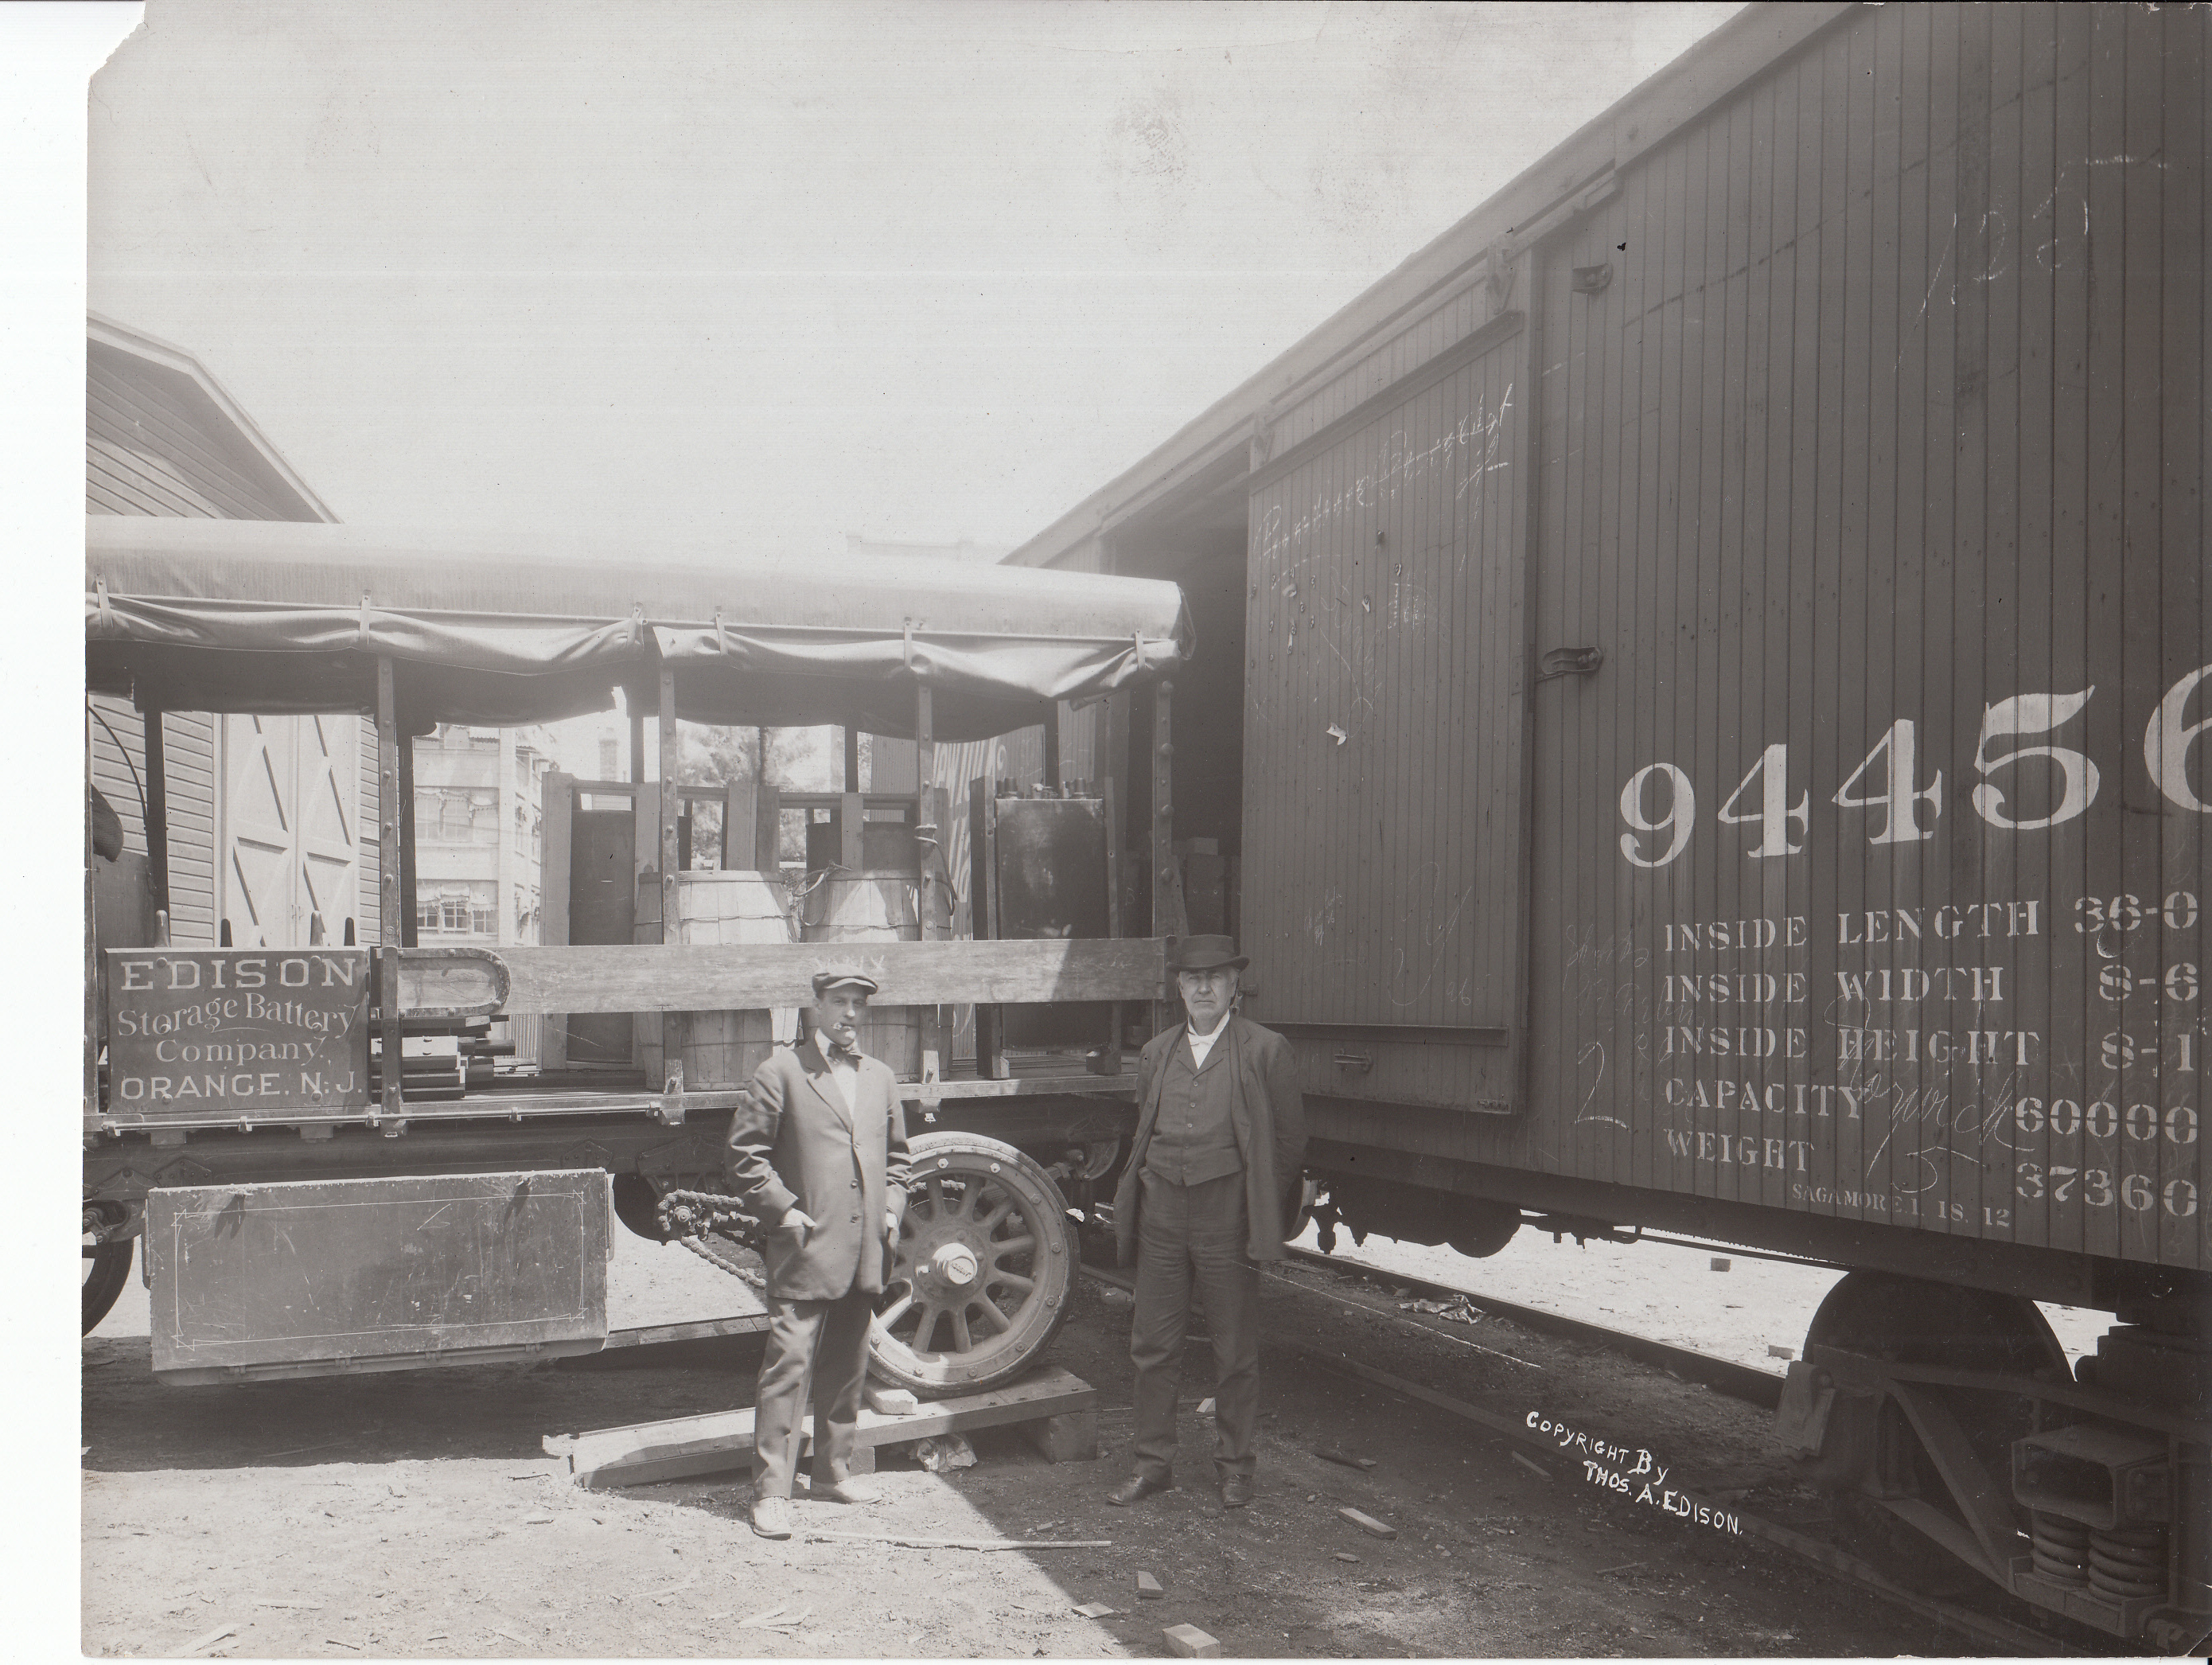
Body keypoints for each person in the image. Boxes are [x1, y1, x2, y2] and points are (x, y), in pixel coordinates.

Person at [1107, 934, 1306, 1511]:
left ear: (1233, 985)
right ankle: (1152, 1466)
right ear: (1179, 988)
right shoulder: (1157, 1052)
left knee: (1233, 1350)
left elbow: (1290, 1142)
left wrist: (1255, 1201)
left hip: (1227, 1217)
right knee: (1153, 1346)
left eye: (1214, 977)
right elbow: (1145, 1127)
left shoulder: (1266, 1050)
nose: (1203, 988)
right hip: (1163, 1215)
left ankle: (1236, 1468)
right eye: (1193, 979)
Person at [724, 966, 913, 1540]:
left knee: (848, 1364)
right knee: (788, 1369)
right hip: (805, 1246)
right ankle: (771, 1494)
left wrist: (890, 1212)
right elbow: (744, 1157)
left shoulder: (880, 1077)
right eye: (839, 1002)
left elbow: (899, 1162)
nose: (850, 1013)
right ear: (817, 1008)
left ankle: (833, 1473)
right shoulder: (781, 1071)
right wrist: (783, 1210)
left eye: (859, 1003)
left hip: (865, 1249)